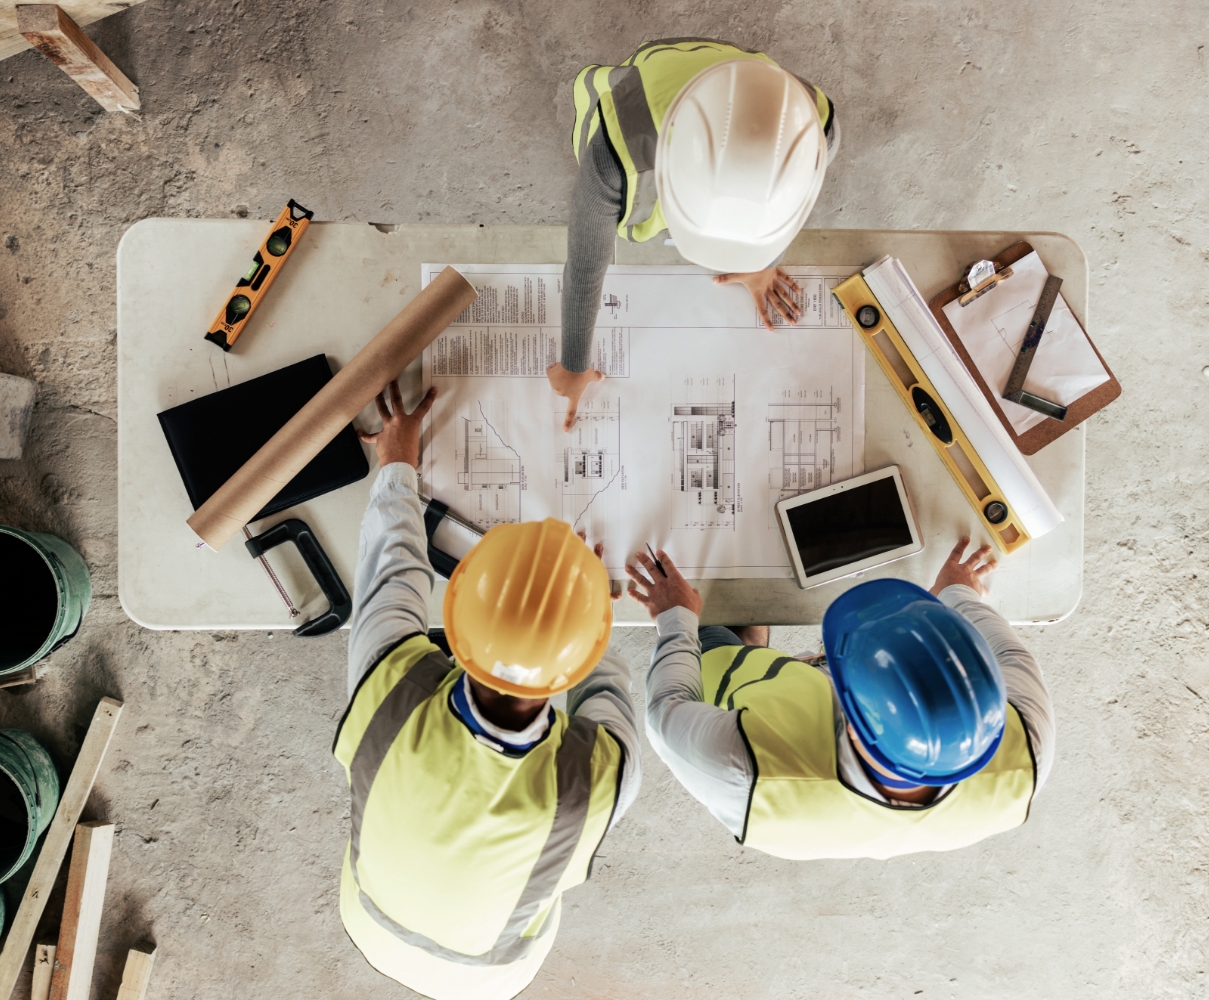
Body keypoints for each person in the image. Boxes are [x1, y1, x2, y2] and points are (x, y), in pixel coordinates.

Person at [335, 381, 641, 1000]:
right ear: (573, 661)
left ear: (456, 614)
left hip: (368, 916)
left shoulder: (389, 685)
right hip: (489, 975)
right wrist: (576, 608)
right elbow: (601, 683)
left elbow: (392, 565)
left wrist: (398, 459)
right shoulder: (593, 780)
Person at [625, 539, 1054, 860]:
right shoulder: (1028, 748)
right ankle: (753, 641)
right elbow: (1012, 657)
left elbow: (666, 711)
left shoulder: (747, 769)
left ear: (850, 717)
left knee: (717, 641)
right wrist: (957, 593)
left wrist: (676, 616)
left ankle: (745, 646)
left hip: (764, 726)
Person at [549, 38, 841, 429]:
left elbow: (787, 201)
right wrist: (573, 363)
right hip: (647, 85)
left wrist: (762, 264)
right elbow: (585, 268)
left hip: (732, 80)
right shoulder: (615, 153)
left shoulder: (813, 127)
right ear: (666, 177)